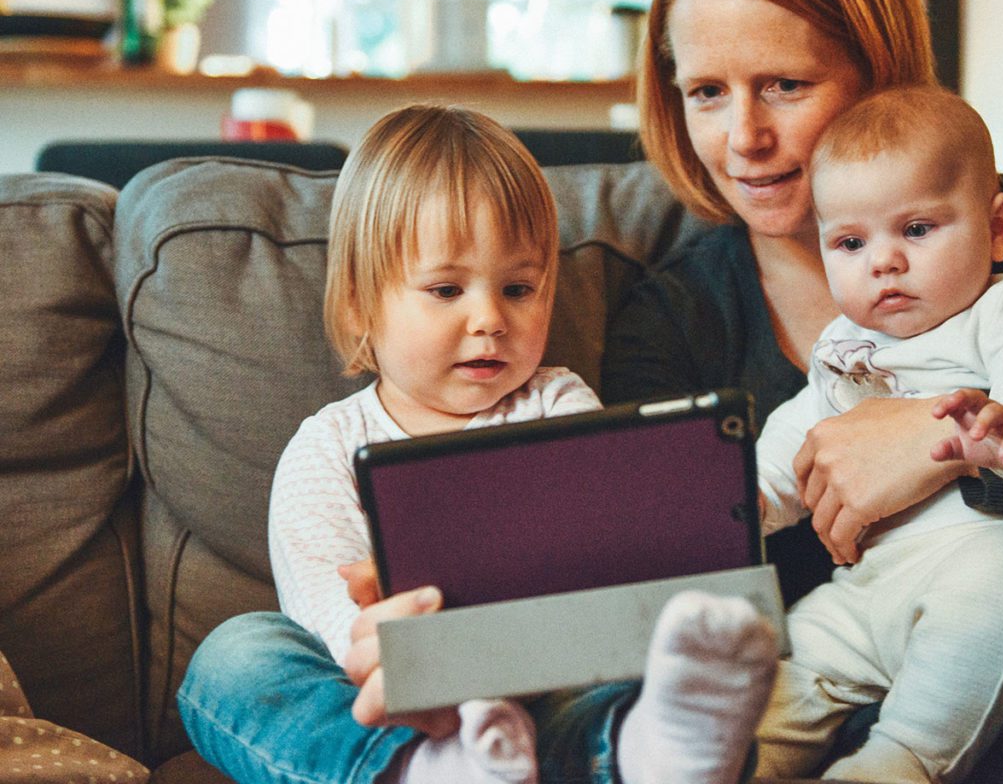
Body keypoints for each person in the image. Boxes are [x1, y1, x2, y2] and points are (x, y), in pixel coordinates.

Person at [178, 103, 778, 784]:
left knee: (641, 673)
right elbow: (330, 624)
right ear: (357, 305)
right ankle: (427, 770)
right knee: (235, 656)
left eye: (519, 288)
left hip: (548, 686)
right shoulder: (325, 449)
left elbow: (606, 560)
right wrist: (420, 661)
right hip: (400, 702)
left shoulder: (558, 404)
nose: (490, 319)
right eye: (446, 289)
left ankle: (652, 753)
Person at [599, 0, 1003, 780]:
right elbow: (686, 591)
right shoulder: (671, 322)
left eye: (785, 85)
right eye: (707, 92)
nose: (744, 136)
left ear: (877, 71)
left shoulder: (1001, 238)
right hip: (812, 685)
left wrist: (934, 436)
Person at [752, 85, 1003, 783]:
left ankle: (898, 760)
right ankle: (745, 759)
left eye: (918, 230)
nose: (884, 262)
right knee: (791, 659)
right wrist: (747, 499)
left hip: (974, 559)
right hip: (866, 584)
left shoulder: (1001, 310)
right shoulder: (845, 344)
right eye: (850, 241)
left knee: (997, 596)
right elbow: (802, 432)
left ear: (998, 229)